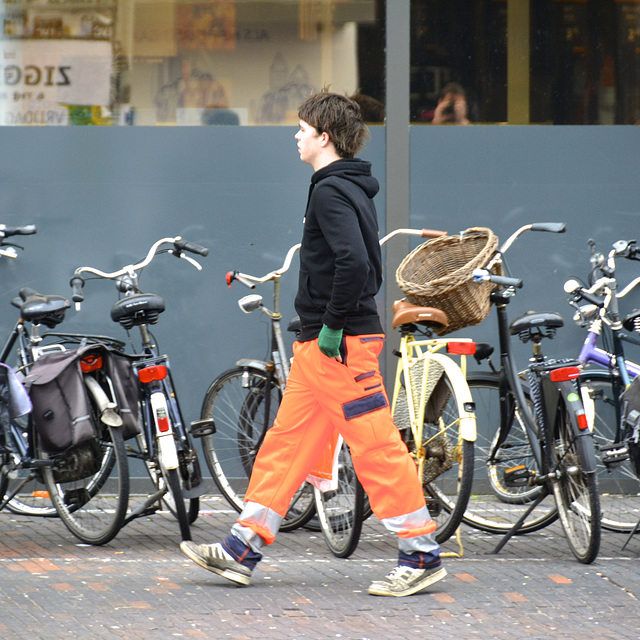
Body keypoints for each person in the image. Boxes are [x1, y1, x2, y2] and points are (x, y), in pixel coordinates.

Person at [180, 90, 445, 598]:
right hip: (325, 345)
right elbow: (367, 263)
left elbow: (357, 266)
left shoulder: (329, 191)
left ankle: (421, 553)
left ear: (324, 137)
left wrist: (329, 328)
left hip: (336, 345)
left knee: (374, 445)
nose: (296, 136)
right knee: (288, 441)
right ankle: (242, 549)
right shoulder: (346, 188)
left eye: (302, 128)